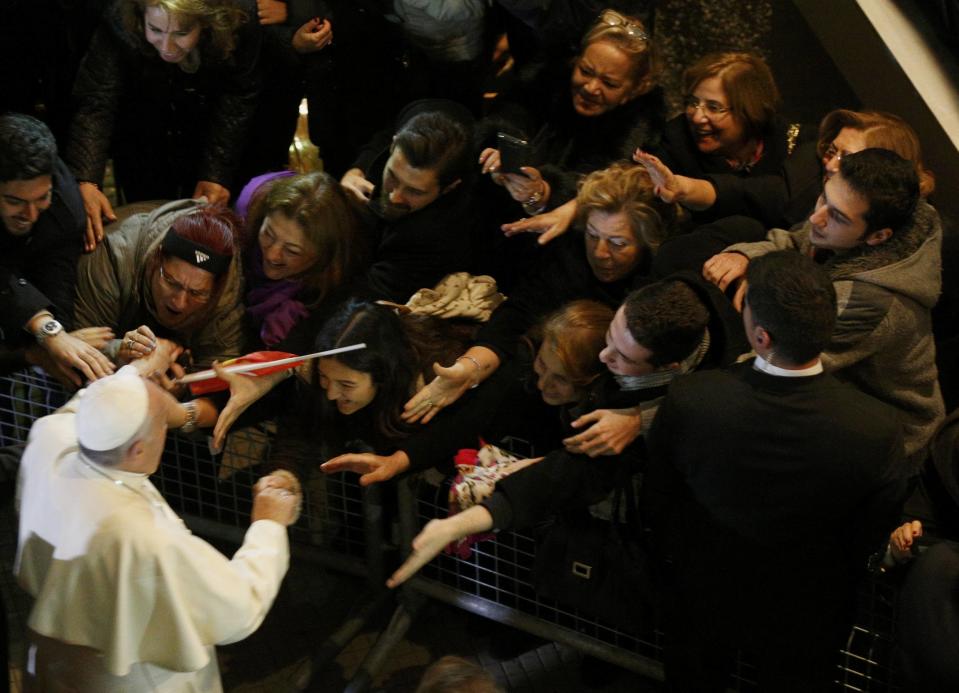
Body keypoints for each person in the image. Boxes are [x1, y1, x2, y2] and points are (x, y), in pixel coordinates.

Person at [642, 250, 906, 691]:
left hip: (704, 590)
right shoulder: (875, 429)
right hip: (810, 606)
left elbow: (659, 501)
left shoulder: (694, 399)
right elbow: (868, 533)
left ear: (761, 337)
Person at [384, 275, 744, 589]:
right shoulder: (675, 273)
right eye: (609, 338)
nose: (604, 358)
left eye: (622, 357)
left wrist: (641, 417)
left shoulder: (727, 382)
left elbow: (567, 474)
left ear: (669, 367)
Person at [15, 350, 301, 691]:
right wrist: (269, 526)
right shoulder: (144, 539)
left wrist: (135, 372)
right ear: (138, 449)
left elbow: (86, 404)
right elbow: (239, 607)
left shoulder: (49, 438)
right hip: (136, 678)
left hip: (54, 661)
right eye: (163, 424)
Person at [703, 148, 944, 467]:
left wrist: (657, 414)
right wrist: (746, 255)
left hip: (883, 438)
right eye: (823, 198)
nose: (817, 217)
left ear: (878, 237)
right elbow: (794, 241)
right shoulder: (840, 224)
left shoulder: (868, 300)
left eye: (838, 216)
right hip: (831, 389)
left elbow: (777, 367)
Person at [403, 163, 677, 440]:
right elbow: (518, 313)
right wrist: (469, 368)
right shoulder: (570, 253)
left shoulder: (659, 282)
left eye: (618, 243)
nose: (600, 253)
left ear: (646, 242)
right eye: (592, 235)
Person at [321, 299, 615, 485]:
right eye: (542, 365)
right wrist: (397, 462)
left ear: (590, 379)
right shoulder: (519, 371)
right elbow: (465, 422)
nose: (543, 384)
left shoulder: (606, 416)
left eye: (561, 379)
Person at [65, 0, 262, 242]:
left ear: (207, 22)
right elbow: (97, 99)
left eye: (181, 32)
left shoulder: (238, 17)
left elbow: (239, 94)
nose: (167, 47)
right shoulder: (120, 16)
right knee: (143, 209)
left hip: (206, 123)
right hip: (142, 121)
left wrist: (216, 173)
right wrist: (86, 180)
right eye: (156, 30)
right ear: (140, 16)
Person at [479, 8, 665, 214]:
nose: (590, 88)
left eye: (609, 83)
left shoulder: (638, 132)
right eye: (585, 71)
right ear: (576, 60)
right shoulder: (547, 79)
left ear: (636, 89)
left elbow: (603, 189)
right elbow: (510, 113)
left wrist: (545, 192)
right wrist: (507, 149)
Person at [636, 108, 936, 233]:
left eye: (847, 158)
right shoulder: (807, 175)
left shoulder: (912, 232)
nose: (830, 164)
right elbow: (743, 192)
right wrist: (682, 187)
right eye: (831, 152)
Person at [269, 300, 468, 485]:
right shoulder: (319, 368)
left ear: (382, 375)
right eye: (324, 377)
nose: (330, 394)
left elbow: (455, 435)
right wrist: (283, 479)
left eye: (346, 385)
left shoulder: (437, 377)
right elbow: (299, 432)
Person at [0, 113, 115, 386]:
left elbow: (57, 285)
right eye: (15, 200)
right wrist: (49, 332)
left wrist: (60, 339)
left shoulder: (65, 209)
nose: (30, 213)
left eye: (41, 198)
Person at [339, 100, 481, 302]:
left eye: (414, 191)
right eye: (392, 177)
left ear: (449, 187)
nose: (395, 196)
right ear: (393, 145)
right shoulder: (407, 131)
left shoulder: (438, 237)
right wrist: (355, 172)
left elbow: (363, 294)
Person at [241, 171, 368, 352]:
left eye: (292, 251)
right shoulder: (245, 215)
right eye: (268, 234)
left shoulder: (335, 285)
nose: (271, 255)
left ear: (321, 257)